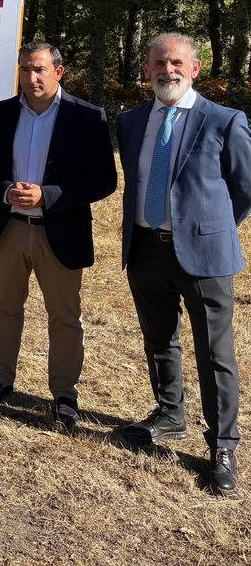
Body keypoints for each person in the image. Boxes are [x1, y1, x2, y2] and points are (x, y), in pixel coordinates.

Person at [116, 32, 251, 494]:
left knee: (215, 353)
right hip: (145, 248)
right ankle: (170, 414)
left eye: (176, 63)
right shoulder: (131, 121)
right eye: (158, 63)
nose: (167, 71)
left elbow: (244, 187)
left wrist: (211, 227)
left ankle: (223, 445)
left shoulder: (225, 120)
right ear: (146, 69)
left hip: (204, 255)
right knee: (159, 338)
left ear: (194, 68)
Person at [0, 41, 116, 431]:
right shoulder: (2, 113)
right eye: (25, 69)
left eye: (39, 70)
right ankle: (0, 378)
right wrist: (4, 190)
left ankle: (64, 394)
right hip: (9, 229)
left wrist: (48, 196)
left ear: (58, 72)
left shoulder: (87, 117)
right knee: (4, 307)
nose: (31, 78)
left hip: (60, 233)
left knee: (64, 316)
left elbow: (104, 180)